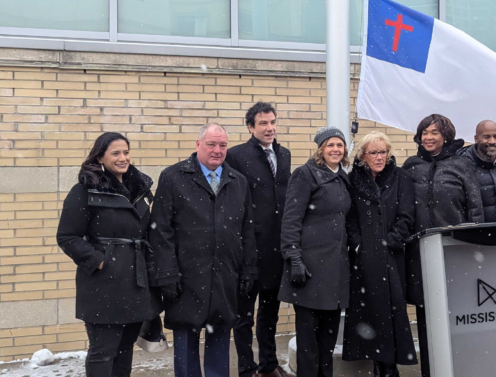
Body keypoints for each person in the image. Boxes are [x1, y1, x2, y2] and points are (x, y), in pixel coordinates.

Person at [150, 123, 257, 377]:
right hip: (185, 278)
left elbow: (248, 230)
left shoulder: (238, 182)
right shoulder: (173, 177)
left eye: (222, 145)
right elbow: (160, 231)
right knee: (186, 341)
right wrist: (166, 273)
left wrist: (249, 269)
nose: (217, 150)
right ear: (198, 145)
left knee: (219, 338)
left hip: (224, 276)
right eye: (211, 144)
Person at [57, 132, 161, 376]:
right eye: (115, 153)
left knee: (125, 349)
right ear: (100, 157)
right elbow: (67, 237)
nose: (123, 158)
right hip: (102, 285)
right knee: (103, 351)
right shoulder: (85, 191)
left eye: (126, 152)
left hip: (136, 281)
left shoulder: (138, 188)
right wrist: (100, 261)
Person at [402, 114, 485, 377]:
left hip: (454, 253)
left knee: (455, 316)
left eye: (434, 132)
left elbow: (475, 209)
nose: (428, 137)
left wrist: (475, 249)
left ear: (446, 135)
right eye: (424, 132)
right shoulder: (411, 166)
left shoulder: (461, 165)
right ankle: (430, 370)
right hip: (419, 255)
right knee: (426, 317)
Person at [225, 102, 293, 377]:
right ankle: (246, 368)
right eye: (263, 123)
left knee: (269, 312)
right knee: (243, 315)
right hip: (248, 248)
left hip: (276, 247)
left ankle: (268, 364)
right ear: (251, 127)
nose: (270, 128)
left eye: (273, 122)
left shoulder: (284, 154)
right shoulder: (236, 155)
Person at [278, 126, 351, 377]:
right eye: (330, 144)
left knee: (327, 341)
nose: (335, 149)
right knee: (308, 343)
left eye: (339, 145)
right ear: (321, 148)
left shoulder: (343, 178)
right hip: (309, 269)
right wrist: (294, 258)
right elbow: (291, 220)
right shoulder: (305, 174)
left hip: (335, 271)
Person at [343, 131, 417, 377]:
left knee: (393, 310)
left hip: (392, 255)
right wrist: (359, 246)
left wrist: (391, 242)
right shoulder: (353, 180)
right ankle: (377, 362)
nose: (379, 157)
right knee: (369, 310)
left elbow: (407, 217)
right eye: (373, 152)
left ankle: (390, 365)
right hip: (363, 258)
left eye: (383, 151)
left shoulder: (401, 178)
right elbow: (350, 219)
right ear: (363, 155)